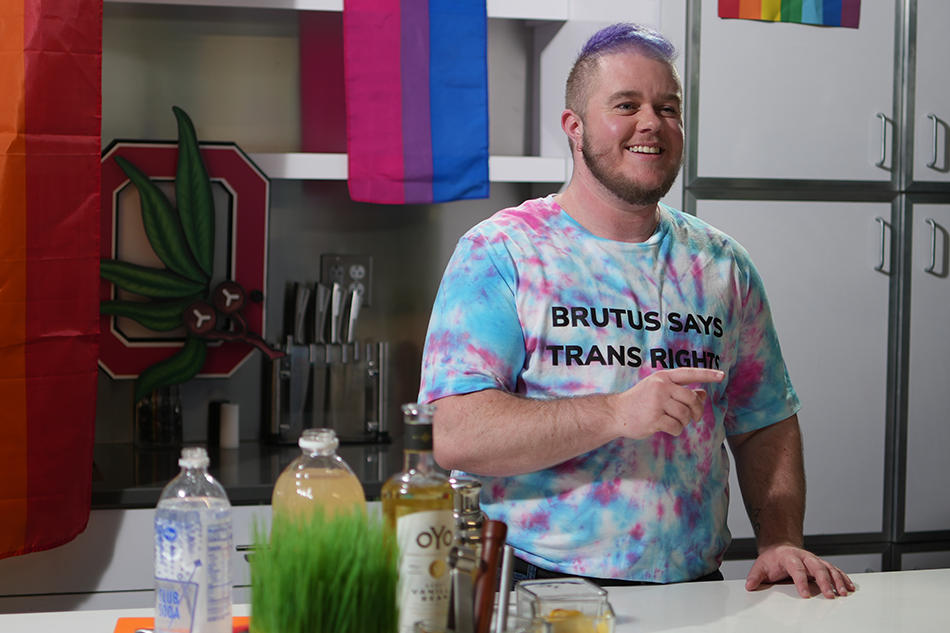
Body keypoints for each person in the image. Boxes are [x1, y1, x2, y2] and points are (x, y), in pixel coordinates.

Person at [417, 23, 854, 600]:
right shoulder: (501, 252)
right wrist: (615, 414)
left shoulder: (722, 265)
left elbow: (764, 421)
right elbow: (456, 434)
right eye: (627, 105)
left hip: (695, 586)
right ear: (573, 127)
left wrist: (779, 540)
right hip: (533, 587)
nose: (652, 122)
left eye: (667, 107)